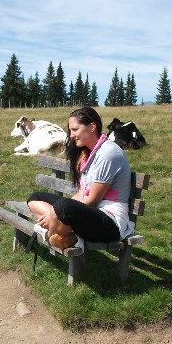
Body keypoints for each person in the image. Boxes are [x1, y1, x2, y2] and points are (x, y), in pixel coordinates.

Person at [27, 106, 135, 249]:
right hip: (90, 214)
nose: (71, 135)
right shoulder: (89, 153)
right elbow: (82, 193)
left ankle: (52, 232)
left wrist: (56, 213)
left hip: (110, 222)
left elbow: (93, 200)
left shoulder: (108, 153)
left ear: (92, 127)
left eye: (75, 129)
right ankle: (61, 232)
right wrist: (56, 213)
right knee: (35, 198)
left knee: (62, 207)